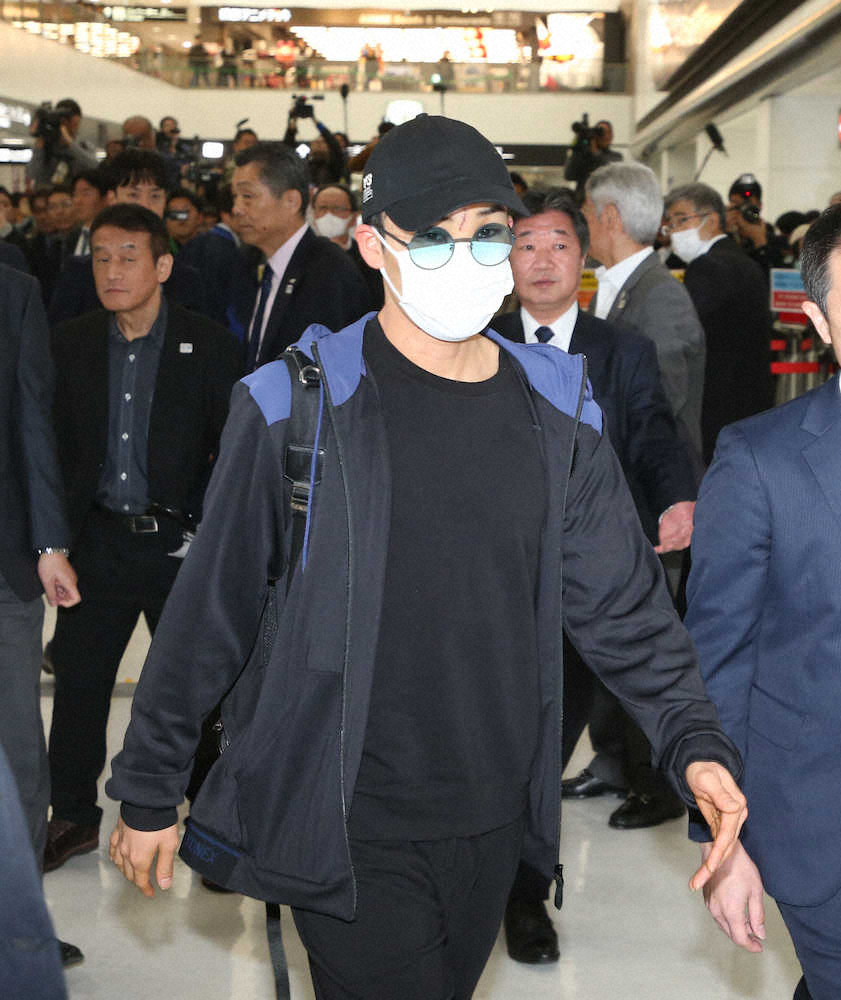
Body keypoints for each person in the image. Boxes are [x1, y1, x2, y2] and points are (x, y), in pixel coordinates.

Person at [106, 114, 745, 1000]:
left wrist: (692, 740)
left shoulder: (556, 412)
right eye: (435, 237)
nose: (468, 257)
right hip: (347, 812)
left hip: (494, 810)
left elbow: (623, 610)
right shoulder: (298, 406)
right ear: (374, 246)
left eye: (488, 233)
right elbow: (214, 607)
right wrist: (150, 783)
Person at [495, 186, 698, 964]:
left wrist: (675, 495)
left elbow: (651, 432)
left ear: (581, 258)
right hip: (495, 582)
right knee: (496, 742)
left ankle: (524, 897)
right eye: (525, 245)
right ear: (506, 260)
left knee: (546, 746)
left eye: (558, 245)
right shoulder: (477, 343)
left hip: (582, 584)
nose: (542, 260)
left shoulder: (620, 350)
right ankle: (482, 877)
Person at [42, 204, 241, 874]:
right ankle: (72, 815)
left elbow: (233, 448)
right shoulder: (70, 344)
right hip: (96, 543)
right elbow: (51, 448)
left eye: (128, 257)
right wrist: (53, 541)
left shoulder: (207, 343)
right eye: (101, 257)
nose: (112, 270)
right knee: (79, 684)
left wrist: (207, 531)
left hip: (178, 546)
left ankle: (207, 822)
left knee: (199, 688)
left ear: (162, 266)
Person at [684, 202, 841, 1000]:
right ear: (818, 321)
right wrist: (721, 841)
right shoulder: (760, 461)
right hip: (824, 835)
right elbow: (715, 663)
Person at [562, 162, 706, 830]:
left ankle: (657, 783)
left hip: (646, 506)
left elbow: (658, 416)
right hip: (609, 505)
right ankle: (614, 761)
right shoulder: (618, 288)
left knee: (642, 644)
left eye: (585, 216)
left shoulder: (659, 299)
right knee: (600, 638)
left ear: (608, 217)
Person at [0, 261, 83, 969]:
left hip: (4, 565)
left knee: (17, 747)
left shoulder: (14, 292)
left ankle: (20, 929)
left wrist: (50, 544)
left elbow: (33, 418)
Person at [232, 141, 371, 370]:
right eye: (235, 197)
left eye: (247, 196)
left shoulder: (330, 272)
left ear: (291, 201)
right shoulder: (249, 262)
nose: (236, 208)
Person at [664, 182, 774, 465]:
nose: (674, 230)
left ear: (711, 220)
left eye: (681, 220)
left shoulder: (711, 267)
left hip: (720, 402)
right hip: (747, 398)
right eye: (670, 223)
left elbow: (682, 330)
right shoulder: (738, 259)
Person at [49, 150, 208, 325]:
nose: (145, 206)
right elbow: (60, 334)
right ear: (112, 198)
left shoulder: (186, 278)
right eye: (134, 195)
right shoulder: (79, 274)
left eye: (155, 196)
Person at [27, 98, 97, 187]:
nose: (74, 130)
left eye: (76, 125)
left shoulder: (84, 146)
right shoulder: (47, 146)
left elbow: (94, 167)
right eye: (69, 124)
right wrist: (39, 147)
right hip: (50, 193)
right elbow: (33, 174)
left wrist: (70, 143)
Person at [725, 173, 787, 275]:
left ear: (760, 206)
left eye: (748, 206)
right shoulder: (723, 240)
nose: (743, 211)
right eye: (737, 206)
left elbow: (779, 278)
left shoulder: (777, 243)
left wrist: (761, 243)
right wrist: (724, 234)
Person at [564, 118, 622, 196]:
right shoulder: (584, 156)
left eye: (608, 132)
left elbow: (608, 171)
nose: (605, 136)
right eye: (601, 133)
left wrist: (595, 151)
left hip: (606, 199)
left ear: (612, 136)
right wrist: (578, 145)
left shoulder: (615, 156)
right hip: (584, 200)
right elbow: (569, 176)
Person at [65, 169, 107, 257]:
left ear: (104, 197)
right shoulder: (71, 238)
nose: (77, 201)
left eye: (86, 194)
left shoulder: (112, 237)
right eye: (75, 195)